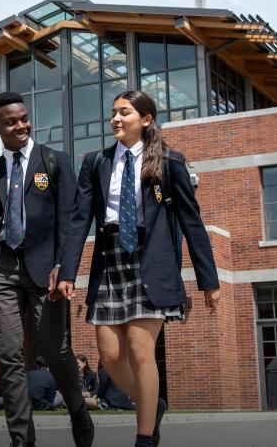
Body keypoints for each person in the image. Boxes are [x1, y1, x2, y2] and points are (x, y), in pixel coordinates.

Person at [58, 90, 221, 447]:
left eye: (125, 113)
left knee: (139, 347)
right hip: (109, 261)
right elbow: (78, 219)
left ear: (146, 119)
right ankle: (152, 403)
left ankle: (144, 437)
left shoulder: (169, 161)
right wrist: (68, 271)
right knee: (110, 357)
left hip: (152, 261)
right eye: (113, 113)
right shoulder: (95, 162)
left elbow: (192, 223)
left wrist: (209, 281)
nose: (116, 119)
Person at [0, 91, 94, 447]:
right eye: (11, 121)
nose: (21, 125)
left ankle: (77, 409)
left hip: (46, 271)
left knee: (54, 349)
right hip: (2, 269)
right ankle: (22, 439)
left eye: (24, 118)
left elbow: (70, 222)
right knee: (7, 356)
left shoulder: (55, 161)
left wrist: (64, 268)